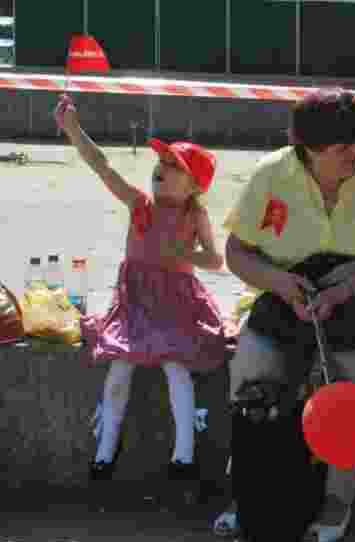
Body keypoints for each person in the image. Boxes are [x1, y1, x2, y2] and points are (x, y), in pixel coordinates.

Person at [212, 88, 355, 542]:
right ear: (309, 150)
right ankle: (249, 494)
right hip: (283, 302)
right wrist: (280, 284)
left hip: (352, 307)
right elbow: (236, 252)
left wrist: (342, 291)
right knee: (252, 372)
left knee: (344, 384)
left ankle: (339, 497)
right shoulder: (270, 175)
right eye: (342, 148)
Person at [54, 94, 228, 506]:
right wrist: (75, 131)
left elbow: (216, 259)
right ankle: (105, 452)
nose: (159, 171)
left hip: (176, 303)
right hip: (135, 303)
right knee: (119, 370)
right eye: (160, 165)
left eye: (172, 168)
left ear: (194, 186)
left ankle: (183, 455)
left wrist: (187, 255)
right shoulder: (140, 205)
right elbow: (103, 167)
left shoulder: (194, 216)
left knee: (175, 369)